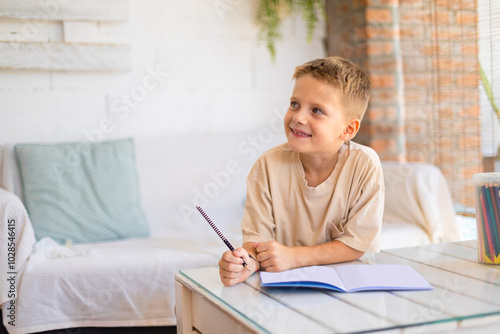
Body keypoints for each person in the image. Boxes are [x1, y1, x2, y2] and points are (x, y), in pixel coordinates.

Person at [218, 56, 385, 286]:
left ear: (348, 129)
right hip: (288, 287)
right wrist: (245, 264)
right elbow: (257, 243)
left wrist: (293, 257)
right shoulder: (267, 165)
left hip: (347, 287)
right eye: (295, 104)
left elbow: (357, 244)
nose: (298, 117)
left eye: (316, 110)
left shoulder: (364, 164)